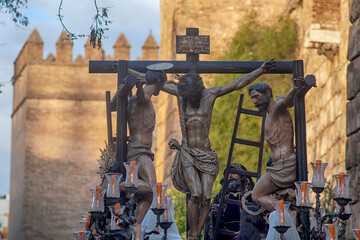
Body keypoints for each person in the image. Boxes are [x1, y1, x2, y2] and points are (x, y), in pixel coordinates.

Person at [162, 59, 275, 240]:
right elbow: (153, 82)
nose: (190, 99)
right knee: (196, 195)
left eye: (193, 96)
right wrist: (129, 71)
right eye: (188, 96)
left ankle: (197, 231)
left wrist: (260, 70)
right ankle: (193, 235)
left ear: (199, 91)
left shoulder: (210, 95)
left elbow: (237, 83)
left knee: (206, 197)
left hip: (206, 154)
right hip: (187, 153)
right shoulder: (180, 95)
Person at [248, 78, 304, 212]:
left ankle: (288, 215)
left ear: (267, 92)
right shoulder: (270, 115)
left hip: (284, 167)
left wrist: (295, 88)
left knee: (257, 195)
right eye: (252, 99)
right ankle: (287, 214)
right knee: (261, 195)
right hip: (278, 166)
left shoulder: (277, 109)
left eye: (256, 96)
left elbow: (287, 102)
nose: (255, 102)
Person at [126, 68, 168, 224]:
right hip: (139, 152)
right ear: (158, 82)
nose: (161, 89)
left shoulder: (137, 99)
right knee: (153, 188)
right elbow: (143, 98)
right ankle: (115, 185)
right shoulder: (141, 98)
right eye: (162, 85)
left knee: (149, 195)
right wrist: (139, 88)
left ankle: (137, 226)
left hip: (141, 151)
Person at [204, 163, 255, 240]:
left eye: (234, 173)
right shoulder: (221, 196)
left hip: (244, 234)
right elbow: (212, 218)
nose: (230, 176)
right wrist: (218, 214)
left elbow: (257, 216)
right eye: (228, 174)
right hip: (225, 236)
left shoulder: (251, 195)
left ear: (242, 176)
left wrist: (246, 230)